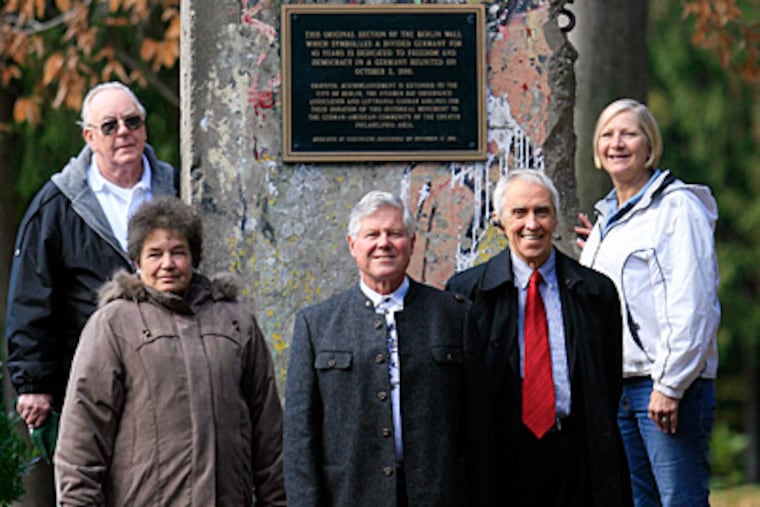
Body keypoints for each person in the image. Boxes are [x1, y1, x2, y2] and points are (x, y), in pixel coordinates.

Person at [54, 196, 286, 506]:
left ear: (194, 257)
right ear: (136, 261)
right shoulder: (113, 324)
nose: (167, 264)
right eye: (155, 254)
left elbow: (268, 430)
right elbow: (82, 434)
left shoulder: (236, 321)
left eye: (178, 252)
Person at [284, 191, 492, 507]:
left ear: (411, 243)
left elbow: (479, 427)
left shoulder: (454, 315)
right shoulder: (316, 325)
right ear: (353, 245)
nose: (384, 243)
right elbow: (300, 437)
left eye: (394, 233)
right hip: (350, 495)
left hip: (439, 494)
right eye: (372, 234)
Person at [446, 169, 631, 506]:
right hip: (500, 460)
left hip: (576, 457)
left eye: (542, 212)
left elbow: (608, 383)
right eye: (519, 213)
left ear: (555, 218)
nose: (532, 224)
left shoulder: (596, 292)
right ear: (499, 221)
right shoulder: (466, 294)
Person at [6, 81, 178, 435]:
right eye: (110, 126)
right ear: (89, 137)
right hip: (88, 380)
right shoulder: (57, 205)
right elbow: (32, 295)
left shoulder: (177, 190)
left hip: (170, 375)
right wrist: (33, 383)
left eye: (133, 122)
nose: (124, 133)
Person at [576, 98, 720, 507]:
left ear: (650, 145)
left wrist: (670, 386)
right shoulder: (609, 219)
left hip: (665, 389)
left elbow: (693, 304)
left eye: (629, 133)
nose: (616, 143)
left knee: (681, 501)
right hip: (619, 387)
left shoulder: (678, 208)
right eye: (607, 134)